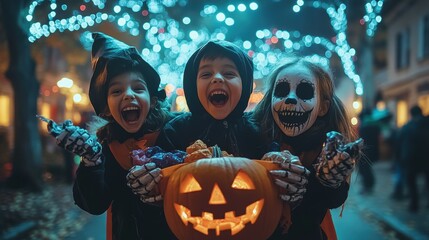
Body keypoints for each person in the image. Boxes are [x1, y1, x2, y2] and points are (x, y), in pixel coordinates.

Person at [126, 40, 310, 237]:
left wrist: (290, 182)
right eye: (206, 74)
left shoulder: (259, 131)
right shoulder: (176, 130)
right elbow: (162, 194)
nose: (217, 79)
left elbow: (275, 188)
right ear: (192, 85)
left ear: (245, 83)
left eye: (229, 73)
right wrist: (149, 188)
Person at [47, 32, 176, 239]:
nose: (128, 94)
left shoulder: (173, 131)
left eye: (137, 88)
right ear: (106, 108)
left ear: (152, 100)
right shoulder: (105, 146)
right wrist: (91, 162)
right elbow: (94, 203)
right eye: (116, 91)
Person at [252, 57, 361, 240]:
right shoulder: (252, 138)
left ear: (323, 107)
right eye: (282, 91)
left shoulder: (326, 153)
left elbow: (332, 199)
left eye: (304, 92)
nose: (291, 99)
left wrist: (327, 180)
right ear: (270, 99)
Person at [399, 105, 429, 212]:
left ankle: (414, 204)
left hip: (411, 158)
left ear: (411, 114)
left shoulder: (407, 126)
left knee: (411, 182)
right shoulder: (426, 124)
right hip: (426, 158)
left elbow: (400, 142)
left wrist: (401, 158)